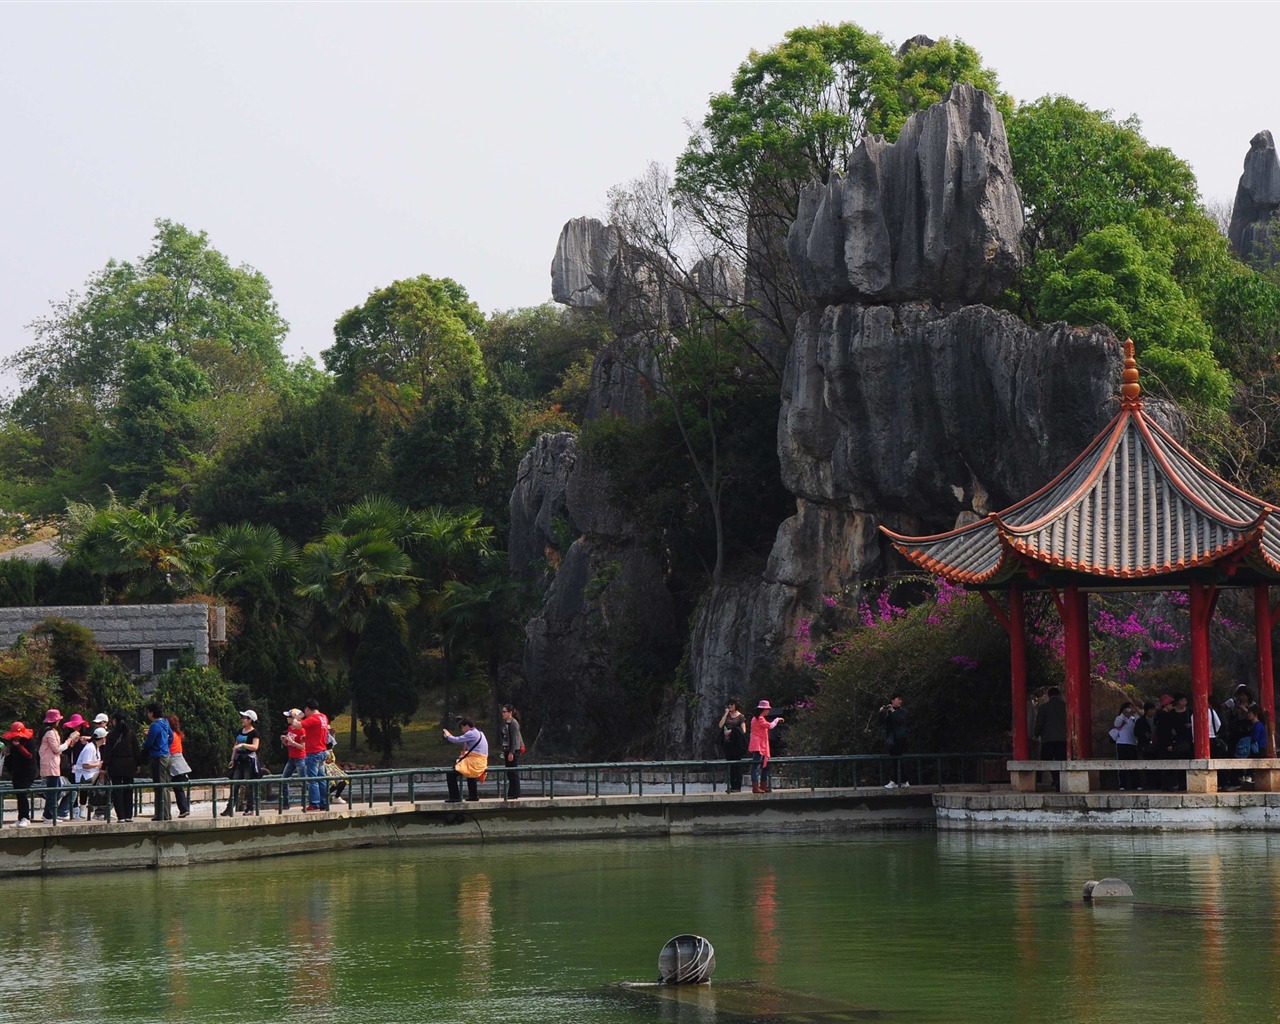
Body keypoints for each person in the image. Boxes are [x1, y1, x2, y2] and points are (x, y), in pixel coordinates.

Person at [38, 709, 78, 825]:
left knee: (53, 790)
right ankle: (48, 815)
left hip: (52, 764)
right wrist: (69, 741)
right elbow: (57, 749)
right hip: (50, 764)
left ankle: (49, 814)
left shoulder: (47, 731)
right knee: (52, 791)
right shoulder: (50, 732)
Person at [223, 710, 260, 817]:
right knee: (235, 784)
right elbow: (235, 745)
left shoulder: (254, 733)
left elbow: (255, 747)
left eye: (244, 718)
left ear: (250, 720)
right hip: (239, 760)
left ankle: (250, 808)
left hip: (248, 760)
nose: (242, 720)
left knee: (249, 785)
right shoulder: (240, 731)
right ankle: (229, 808)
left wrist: (243, 745)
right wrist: (232, 759)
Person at [140, 702, 173, 821]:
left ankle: (162, 814)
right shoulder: (165, 722)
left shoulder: (154, 725)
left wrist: (144, 747)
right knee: (166, 786)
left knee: (160, 786)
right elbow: (171, 737)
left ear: (152, 713)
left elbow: (149, 742)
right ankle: (166, 813)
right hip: (167, 755)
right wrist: (165, 746)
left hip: (158, 757)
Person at [443, 718, 488, 803]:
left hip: (475, 761)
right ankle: (473, 796)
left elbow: (456, 740)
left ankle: (454, 797)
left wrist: (448, 735)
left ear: (467, 726)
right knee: (470, 774)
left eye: (462, 727)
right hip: (481, 761)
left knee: (451, 774)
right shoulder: (480, 733)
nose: (462, 730)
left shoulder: (471, 733)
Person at [105, 711, 138, 822]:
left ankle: (121, 816)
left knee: (117, 790)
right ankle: (129, 815)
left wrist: (104, 766)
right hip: (129, 764)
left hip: (116, 765)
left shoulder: (111, 735)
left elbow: (107, 753)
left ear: (115, 721)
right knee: (129, 790)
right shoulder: (131, 734)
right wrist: (137, 764)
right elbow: (136, 751)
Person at [2, 721, 37, 826]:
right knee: (18, 794)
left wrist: (19, 746)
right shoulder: (12, 742)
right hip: (17, 772)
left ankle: (26, 818)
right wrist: (6, 753)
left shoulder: (29, 742)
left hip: (28, 772)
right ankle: (20, 817)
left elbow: (29, 756)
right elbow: (11, 759)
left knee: (22, 793)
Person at [1033, 688, 1067, 790]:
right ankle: (1060, 781)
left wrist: (1036, 733)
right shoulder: (1065, 706)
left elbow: (1039, 723)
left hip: (1048, 739)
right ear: (1059, 695)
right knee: (1061, 761)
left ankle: (1056, 777)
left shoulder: (1044, 707)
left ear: (1048, 695)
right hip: (1063, 739)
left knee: (1047, 760)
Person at [300, 700, 330, 811]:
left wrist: (298, 717)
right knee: (321, 778)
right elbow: (317, 732)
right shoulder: (323, 717)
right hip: (322, 750)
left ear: (308, 709)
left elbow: (296, 724)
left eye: (305, 710)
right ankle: (324, 802)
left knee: (312, 779)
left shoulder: (312, 719)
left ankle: (314, 803)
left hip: (313, 753)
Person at [748, 700, 784, 794]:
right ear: (763, 709)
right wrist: (777, 719)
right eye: (767, 709)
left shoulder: (755, 718)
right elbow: (770, 726)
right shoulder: (760, 719)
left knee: (765, 764)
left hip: (760, 743)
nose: (768, 711)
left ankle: (763, 786)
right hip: (759, 744)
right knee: (756, 765)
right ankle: (756, 787)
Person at [73, 725, 104, 819]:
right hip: (84, 775)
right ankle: (100, 810)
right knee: (104, 785)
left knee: (104, 780)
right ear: (102, 738)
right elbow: (85, 765)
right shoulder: (90, 748)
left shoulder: (95, 747)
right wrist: (98, 764)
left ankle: (98, 810)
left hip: (90, 774)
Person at [279, 709, 307, 810]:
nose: (287, 718)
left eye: (289, 717)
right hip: (291, 758)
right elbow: (290, 745)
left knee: (303, 782)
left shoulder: (302, 730)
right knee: (284, 780)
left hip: (300, 758)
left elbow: (303, 747)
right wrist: (285, 741)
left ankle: (306, 804)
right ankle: (285, 804)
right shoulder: (290, 728)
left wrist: (291, 741)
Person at [719, 698, 748, 793]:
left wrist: (732, 731)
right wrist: (726, 714)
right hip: (728, 744)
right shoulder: (727, 716)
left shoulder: (741, 716)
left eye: (732, 704)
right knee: (730, 765)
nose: (730, 706)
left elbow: (743, 730)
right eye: (729, 704)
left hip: (737, 744)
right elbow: (720, 725)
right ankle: (732, 786)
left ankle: (737, 786)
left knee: (737, 765)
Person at [879, 695, 908, 788]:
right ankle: (904, 781)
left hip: (900, 738)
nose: (900, 701)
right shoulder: (888, 711)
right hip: (891, 739)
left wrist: (893, 711)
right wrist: (881, 713)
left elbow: (900, 721)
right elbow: (881, 723)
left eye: (901, 699)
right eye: (898, 699)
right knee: (895, 760)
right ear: (892, 700)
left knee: (897, 759)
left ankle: (894, 781)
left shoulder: (902, 712)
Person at [167, 715, 193, 818]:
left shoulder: (171, 735)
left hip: (174, 762)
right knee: (179, 788)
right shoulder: (177, 734)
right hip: (180, 761)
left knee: (177, 788)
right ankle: (184, 809)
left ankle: (183, 809)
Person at [499, 704, 524, 800]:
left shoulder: (513, 723)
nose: (503, 714)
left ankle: (515, 792)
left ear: (510, 713)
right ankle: (511, 792)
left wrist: (511, 752)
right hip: (506, 749)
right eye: (502, 712)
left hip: (512, 750)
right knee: (509, 772)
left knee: (513, 771)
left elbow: (514, 739)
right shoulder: (505, 723)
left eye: (505, 712)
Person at [1112, 701, 1139, 790]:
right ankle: (1122, 785)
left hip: (1132, 743)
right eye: (1128, 708)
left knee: (1134, 765)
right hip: (1121, 743)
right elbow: (1116, 724)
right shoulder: (1120, 718)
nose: (1129, 710)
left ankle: (1136, 784)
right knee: (1121, 765)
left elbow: (1139, 724)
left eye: (1131, 707)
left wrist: (1134, 713)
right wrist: (1123, 714)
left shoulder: (1133, 718)